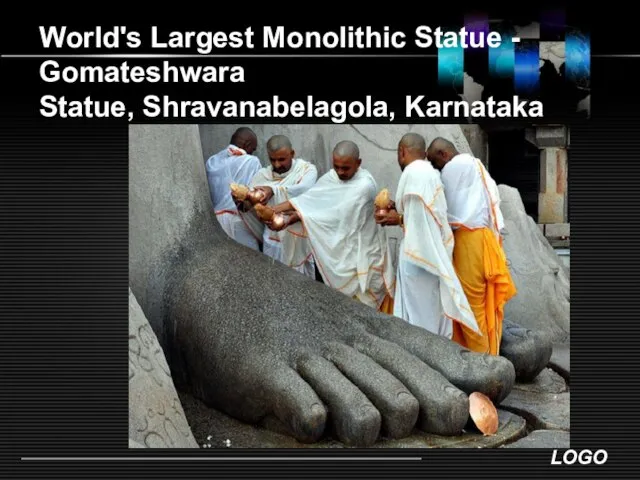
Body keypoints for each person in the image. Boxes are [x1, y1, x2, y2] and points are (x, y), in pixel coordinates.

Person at [261, 140, 395, 313]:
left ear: (358, 163)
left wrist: (288, 219)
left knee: (365, 313)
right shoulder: (331, 178)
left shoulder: (365, 186)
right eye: (336, 166)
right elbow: (307, 201)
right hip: (338, 254)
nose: (340, 172)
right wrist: (272, 210)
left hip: (362, 255)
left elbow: (330, 216)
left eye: (345, 168)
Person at [375, 133, 480, 339]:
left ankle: (423, 361)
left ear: (402, 152)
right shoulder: (429, 172)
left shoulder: (414, 173)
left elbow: (422, 225)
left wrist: (397, 220)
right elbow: (425, 215)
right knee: (431, 314)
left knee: (419, 321)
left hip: (420, 259)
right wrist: (399, 210)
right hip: (430, 257)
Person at [426, 137, 517, 355]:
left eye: (435, 164)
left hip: (468, 242)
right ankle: (488, 356)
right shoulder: (476, 164)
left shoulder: (453, 168)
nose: (437, 170)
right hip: (485, 239)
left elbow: (442, 211)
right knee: (485, 305)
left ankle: (481, 361)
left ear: (443, 155)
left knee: (468, 305)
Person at [238, 135, 318, 277]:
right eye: (272, 159)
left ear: (292, 154)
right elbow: (248, 207)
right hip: (274, 243)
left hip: (299, 242)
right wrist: (242, 201)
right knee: (275, 283)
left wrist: (273, 191)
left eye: (281, 159)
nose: (277, 165)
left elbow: (303, 191)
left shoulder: (306, 170)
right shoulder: (262, 176)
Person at [205, 127, 262, 250]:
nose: (253, 152)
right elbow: (255, 195)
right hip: (238, 221)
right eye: (253, 149)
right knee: (252, 263)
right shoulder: (251, 161)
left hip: (215, 221)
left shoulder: (212, 161)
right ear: (247, 145)